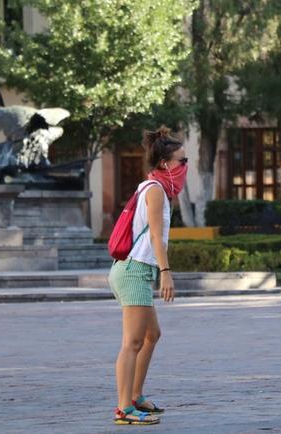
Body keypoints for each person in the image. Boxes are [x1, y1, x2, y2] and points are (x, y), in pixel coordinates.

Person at [108, 126, 188, 425]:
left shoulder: (155, 188)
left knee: (152, 335)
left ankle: (135, 396)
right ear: (165, 163)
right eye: (182, 160)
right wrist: (166, 272)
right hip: (135, 271)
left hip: (135, 269)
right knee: (132, 342)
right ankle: (123, 409)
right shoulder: (154, 190)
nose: (185, 166)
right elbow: (156, 237)